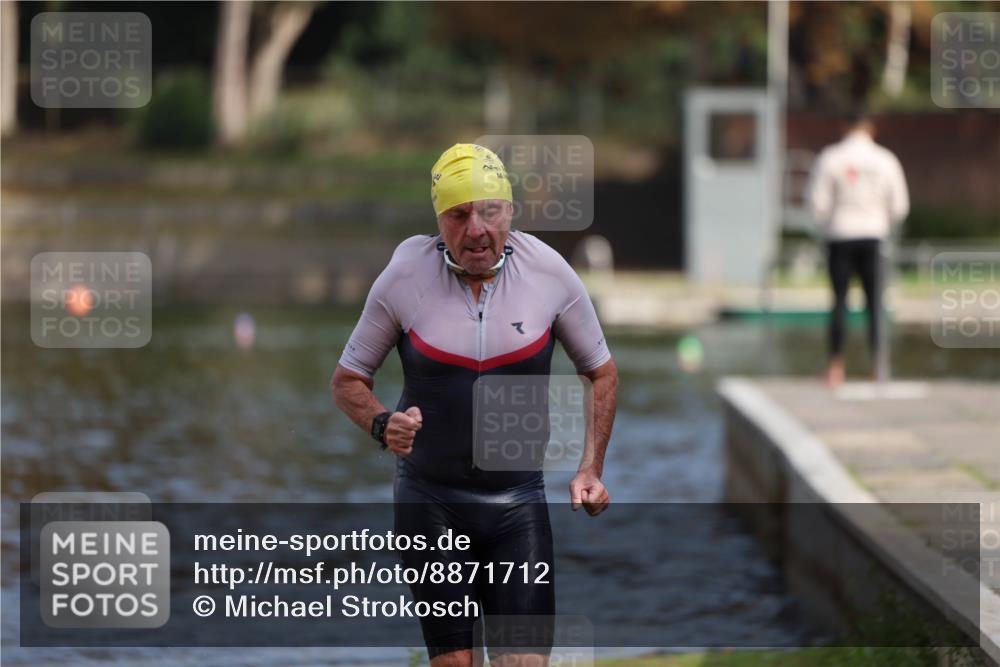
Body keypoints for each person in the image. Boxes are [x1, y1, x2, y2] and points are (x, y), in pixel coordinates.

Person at [331, 143, 618, 667]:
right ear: (439, 219)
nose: (477, 230)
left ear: (510, 211)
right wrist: (381, 424)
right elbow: (348, 379)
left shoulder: (549, 273)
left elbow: (600, 372)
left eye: (490, 212)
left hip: (517, 504)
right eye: (459, 215)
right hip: (430, 503)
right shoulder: (404, 276)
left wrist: (590, 468)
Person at [807, 113, 909, 387]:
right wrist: (882, 222)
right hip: (873, 236)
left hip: (840, 236)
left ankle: (835, 368)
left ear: (843, 126)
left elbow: (817, 203)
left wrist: (829, 225)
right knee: (875, 303)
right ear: (870, 128)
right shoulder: (885, 159)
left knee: (838, 302)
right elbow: (899, 205)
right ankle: (879, 366)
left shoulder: (831, 158)